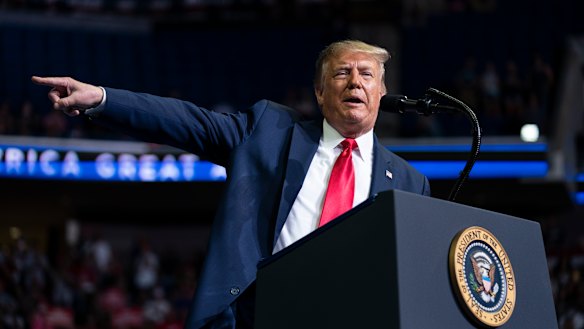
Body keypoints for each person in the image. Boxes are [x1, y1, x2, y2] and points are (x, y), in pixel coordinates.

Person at [32, 39, 431, 329]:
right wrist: (102, 98)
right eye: (341, 72)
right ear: (320, 91)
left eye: (366, 75)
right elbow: (187, 121)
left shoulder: (411, 184)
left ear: (382, 92)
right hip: (260, 316)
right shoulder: (269, 131)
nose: (354, 82)